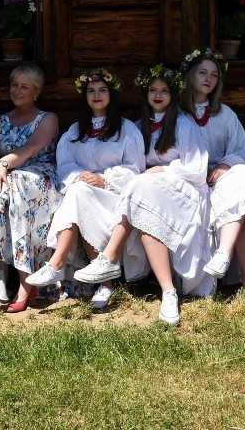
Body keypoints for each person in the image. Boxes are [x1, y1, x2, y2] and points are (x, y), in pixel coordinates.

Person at [73, 64, 213, 325]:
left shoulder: (183, 124)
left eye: (164, 91)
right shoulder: (139, 127)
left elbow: (196, 168)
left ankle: (110, 258)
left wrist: (161, 169)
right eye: (152, 90)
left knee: (140, 186)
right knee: (142, 198)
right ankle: (168, 291)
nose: (158, 95)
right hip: (150, 191)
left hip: (184, 191)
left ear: (173, 95)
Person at [25, 67, 145, 309]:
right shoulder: (75, 130)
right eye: (91, 90)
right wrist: (80, 176)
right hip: (84, 195)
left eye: (102, 90)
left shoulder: (126, 129)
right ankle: (105, 284)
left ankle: (57, 265)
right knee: (79, 194)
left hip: (116, 200)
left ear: (112, 95)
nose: (97, 95)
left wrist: (106, 180)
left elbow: (135, 168)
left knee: (80, 196)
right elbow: (65, 165)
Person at [0, 63, 63, 313]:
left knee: (10, 181)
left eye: (24, 87)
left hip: (43, 181)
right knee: (7, 187)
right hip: (12, 185)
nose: (17, 91)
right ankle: (26, 285)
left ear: (37, 91)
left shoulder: (47, 118)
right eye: (14, 85)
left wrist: (3, 164)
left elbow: (31, 149)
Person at [179, 48, 245, 302]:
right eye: (202, 72)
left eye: (213, 75)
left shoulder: (224, 114)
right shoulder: (176, 114)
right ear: (190, 76)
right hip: (189, 181)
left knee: (244, 182)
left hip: (222, 177)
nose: (208, 79)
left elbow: (243, 150)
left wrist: (226, 165)